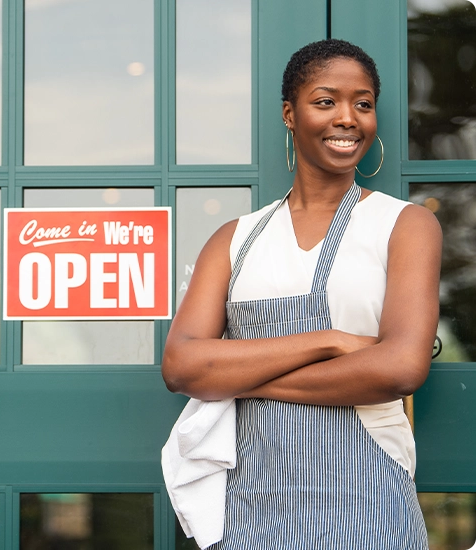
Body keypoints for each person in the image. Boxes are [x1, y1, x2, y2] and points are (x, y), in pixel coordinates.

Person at [161, 39, 442, 549]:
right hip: (254, 510)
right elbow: (182, 367)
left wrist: (236, 379)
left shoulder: (405, 226)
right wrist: (331, 342)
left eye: (363, 103)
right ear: (290, 114)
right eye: (325, 101)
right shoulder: (235, 239)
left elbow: (400, 369)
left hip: (371, 510)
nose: (348, 118)